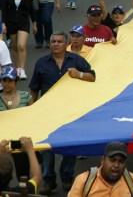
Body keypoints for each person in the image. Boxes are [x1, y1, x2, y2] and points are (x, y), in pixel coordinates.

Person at [29, 31, 95, 193]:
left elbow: (92, 77)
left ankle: (67, 178)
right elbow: (33, 90)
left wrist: (78, 74)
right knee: (46, 147)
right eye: (53, 41)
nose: (56, 44)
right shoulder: (41, 63)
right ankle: (48, 180)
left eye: (59, 41)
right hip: (47, 112)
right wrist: (31, 110)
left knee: (69, 145)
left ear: (67, 45)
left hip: (70, 111)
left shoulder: (77, 60)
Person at [68, 142, 133, 196]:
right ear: (103, 160)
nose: (116, 165)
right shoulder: (83, 181)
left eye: (121, 161)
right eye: (112, 160)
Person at [1, 0, 36, 80]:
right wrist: (3, 23)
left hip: (23, 22)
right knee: (15, 46)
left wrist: (34, 23)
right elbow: (4, 11)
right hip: (11, 22)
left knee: (21, 45)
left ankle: (22, 69)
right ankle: (17, 68)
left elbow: (31, 10)